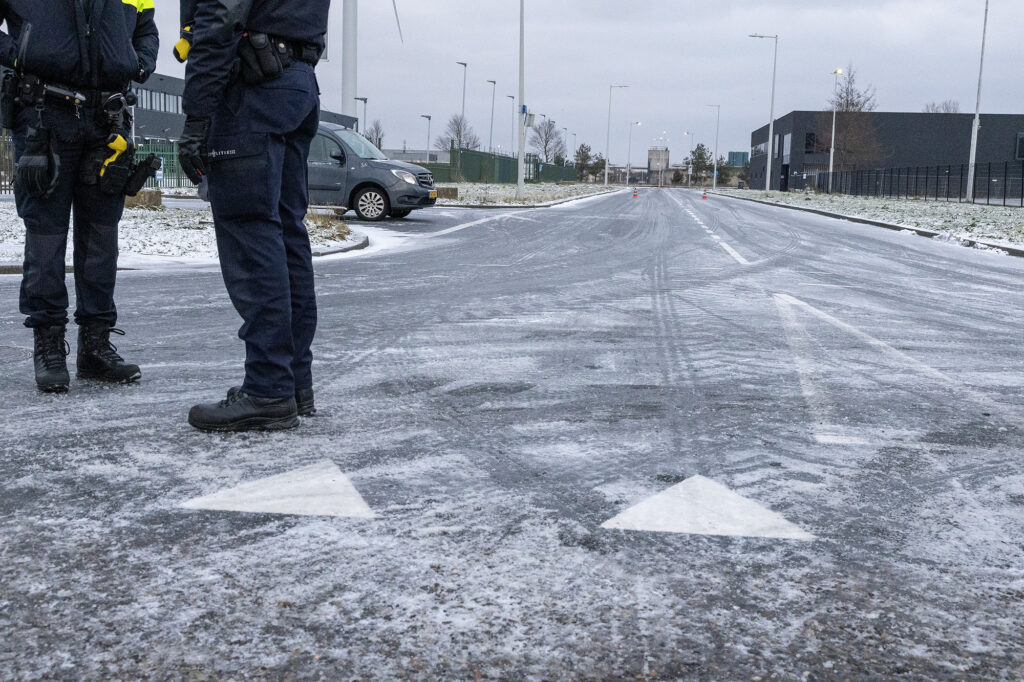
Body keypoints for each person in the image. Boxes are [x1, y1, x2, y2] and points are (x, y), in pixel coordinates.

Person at [179, 0, 330, 431]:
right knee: (285, 233)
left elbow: (221, 14)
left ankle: (268, 389)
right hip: (297, 80)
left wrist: (197, 112)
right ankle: (293, 384)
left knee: (250, 229)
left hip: (256, 86)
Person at [0, 1, 158, 393]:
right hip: (43, 115)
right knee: (46, 237)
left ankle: (96, 344)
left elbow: (147, 29)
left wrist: (138, 63)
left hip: (107, 119)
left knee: (102, 238)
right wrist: (21, 54)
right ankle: (49, 345)